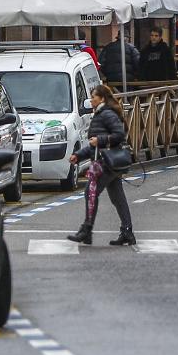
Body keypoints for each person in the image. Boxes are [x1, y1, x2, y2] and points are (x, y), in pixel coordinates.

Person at [67, 85, 136, 247]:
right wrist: (79, 155)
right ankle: (127, 232)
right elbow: (94, 145)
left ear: (102, 99)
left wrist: (101, 140)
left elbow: (118, 135)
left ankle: (87, 230)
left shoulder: (107, 114)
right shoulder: (100, 114)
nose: (91, 100)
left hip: (107, 162)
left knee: (90, 192)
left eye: (94, 97)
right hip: (107, 161)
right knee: (117, 198)